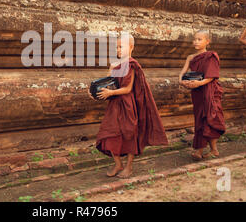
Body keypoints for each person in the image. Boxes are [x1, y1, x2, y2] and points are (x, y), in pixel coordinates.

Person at [89, 34, 168, 178]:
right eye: (117, 47)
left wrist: (110, 92)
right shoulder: (115, 65)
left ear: (131, 47)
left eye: (121, 47)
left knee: (130, 134)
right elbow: (108, 83)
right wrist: (96, 93)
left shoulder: (131, 65)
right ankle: (118, 164)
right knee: (108, 133)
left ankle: (129, 167)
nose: (118, 50)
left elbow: (127, 89)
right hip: (114, 105)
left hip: (127, 104)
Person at [179, 30, 226, 160]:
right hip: (197, 92)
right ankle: (214, 150)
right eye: (194, 39)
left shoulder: (211, 56)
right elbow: (182, 73)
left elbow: (212, 76)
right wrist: (181, 81)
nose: (196, 42)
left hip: (209, 90)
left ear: (207, 42)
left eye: (200, 39)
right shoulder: (190, 57)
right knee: (200, 119)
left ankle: (200, 151)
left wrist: (199, 83)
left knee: (209, 117)